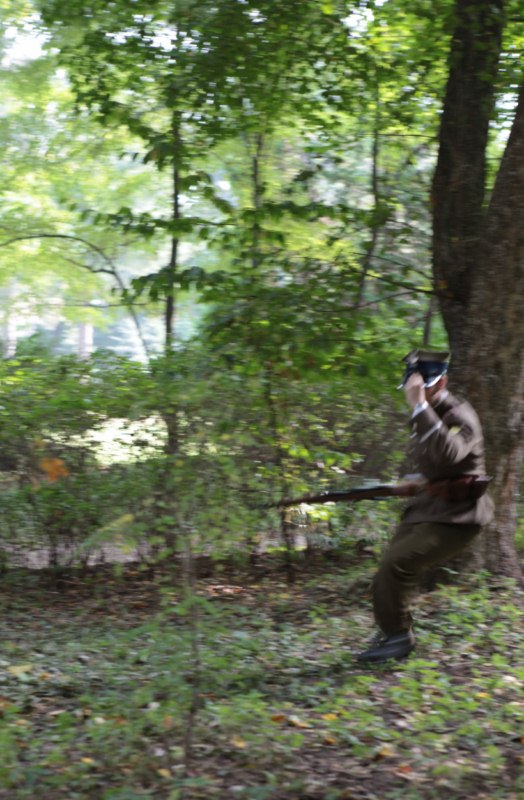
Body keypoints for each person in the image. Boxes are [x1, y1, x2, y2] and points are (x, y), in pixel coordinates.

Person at [357, 349, 494, 664]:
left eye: (423, 388)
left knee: (396, 564)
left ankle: (398, 638)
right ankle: (392, 629)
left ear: (442, 382)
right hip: (427, 508)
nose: (416, 394)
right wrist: (411, 481)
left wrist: (419, 405)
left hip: (458, 518)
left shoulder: (460, 415)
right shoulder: (427, 413)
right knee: (387, 569)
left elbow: (450, 453)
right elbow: (434, 464)